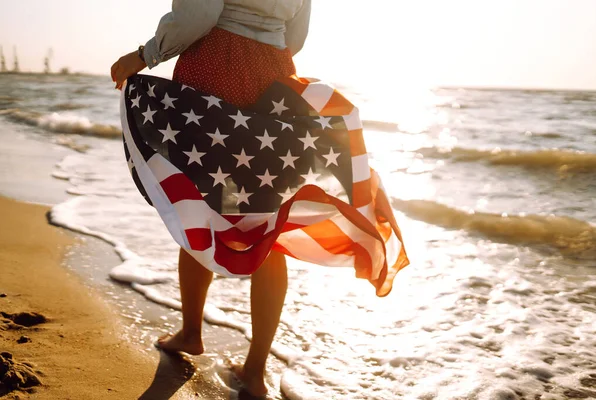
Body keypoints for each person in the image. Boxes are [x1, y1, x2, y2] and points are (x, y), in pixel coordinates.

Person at [111, 0, 407, 398]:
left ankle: (191, 332)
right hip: (275, 76)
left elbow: (199, 14)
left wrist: (145, 54)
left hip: (214, 65)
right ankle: (255, 369)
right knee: (270, 216)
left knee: (202, 203)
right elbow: (295, 36)